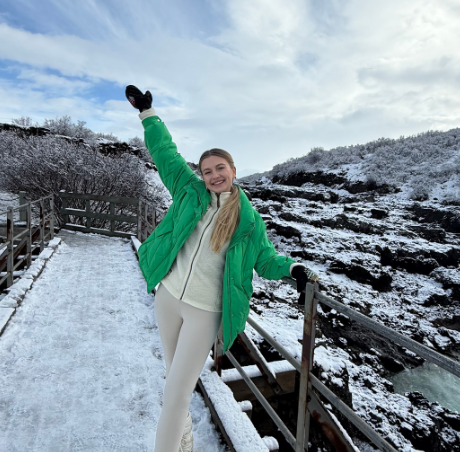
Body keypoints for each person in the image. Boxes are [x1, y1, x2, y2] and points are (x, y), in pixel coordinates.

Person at [125, 85, 318, 452]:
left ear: (232, 170)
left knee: (177, 394)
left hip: (205, 312)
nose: (213, 175)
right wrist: (148, 114)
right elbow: (165, 153)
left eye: (220, 168)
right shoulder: (188, 190)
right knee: (174, 382)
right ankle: (183, 443)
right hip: (168, 298)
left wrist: (291, 268)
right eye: (207, 170)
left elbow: (264, 258)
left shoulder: (248, 218)